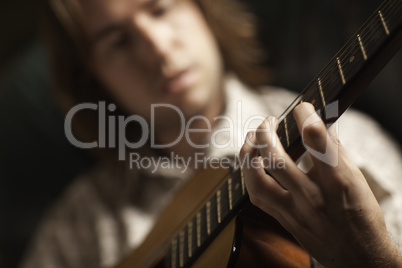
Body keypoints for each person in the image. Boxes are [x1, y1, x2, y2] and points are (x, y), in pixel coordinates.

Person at [20, 0, 402, 267]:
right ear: (92, 78)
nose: (157, 48)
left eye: (161, 7)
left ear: (202, 9)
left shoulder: (345, 143)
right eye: (118, 41)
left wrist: (371, 260)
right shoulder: (79, 223)